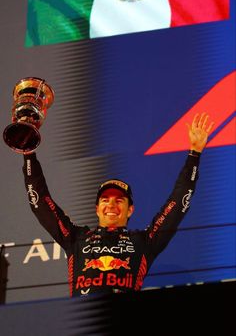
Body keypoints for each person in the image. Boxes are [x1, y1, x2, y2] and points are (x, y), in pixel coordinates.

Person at [22, 112, 214, 296]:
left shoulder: (144, 242)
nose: (111, 205)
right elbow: (40, 202)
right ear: (97, 209)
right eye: (105, 200)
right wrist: (29, 152)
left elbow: (178, 204)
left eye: (119, 200)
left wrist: (194, 154)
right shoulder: (74, 238)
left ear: (130, 210)